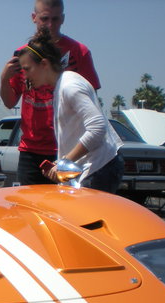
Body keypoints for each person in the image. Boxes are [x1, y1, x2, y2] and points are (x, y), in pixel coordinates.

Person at [0, 0, 101, 186]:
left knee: (67, 203)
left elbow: (92, 101)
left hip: (68, 148)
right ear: (34, 18)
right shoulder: (23, 55)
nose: (50, 25)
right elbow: (9, 102)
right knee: (30, 202)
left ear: (63, 19)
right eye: (44, 19)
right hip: (31, 150)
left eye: (55, 19)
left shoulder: (79, 52)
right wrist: (4, 78)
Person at [17, 28, 123, 193]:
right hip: (95, 169)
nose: (25, 76)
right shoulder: (62, 86)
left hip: (98, 168)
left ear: (44, 64)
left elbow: (97, 127)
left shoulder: (69, 86)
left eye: (27, 69)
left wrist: (65, 161)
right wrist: (60, 163)